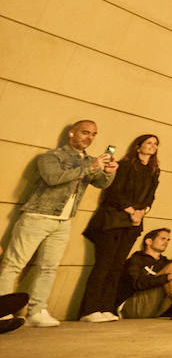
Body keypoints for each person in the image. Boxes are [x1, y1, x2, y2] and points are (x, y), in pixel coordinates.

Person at [0, 119, 117, 326]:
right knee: (13, 264)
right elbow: (53, 178)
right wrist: (90, 167)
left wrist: (109, 172)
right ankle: (2, 311)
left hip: (64, 222)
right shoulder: (52, 156)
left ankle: (37, 312)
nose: (89, 137)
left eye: (93, 134)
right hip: (38, 216)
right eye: (84, 132)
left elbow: (101, 183)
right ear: (71, 133)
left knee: (48, 267)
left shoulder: (90, 160)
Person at [78, 133, 161, 323]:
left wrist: (142, 212)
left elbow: (151, 196)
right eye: (148, 143)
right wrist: (132, 211)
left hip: (133, 223)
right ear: (138, 146)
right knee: (103, 265)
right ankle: (88, 310)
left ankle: (107, 307)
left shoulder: (154, 171)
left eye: (155, 144)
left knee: (116, 267)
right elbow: (114, 192)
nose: (152, 146)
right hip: (112, 221)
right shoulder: (125, 165)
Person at [116, 228, 172, 320]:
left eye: (168, 240)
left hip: (155, 308)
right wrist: (168, 277)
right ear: (149, 241)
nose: (166, 242)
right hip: (132, 307)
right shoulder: (136, 260)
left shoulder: (165, 262)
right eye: (163, 239)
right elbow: (137, 283)